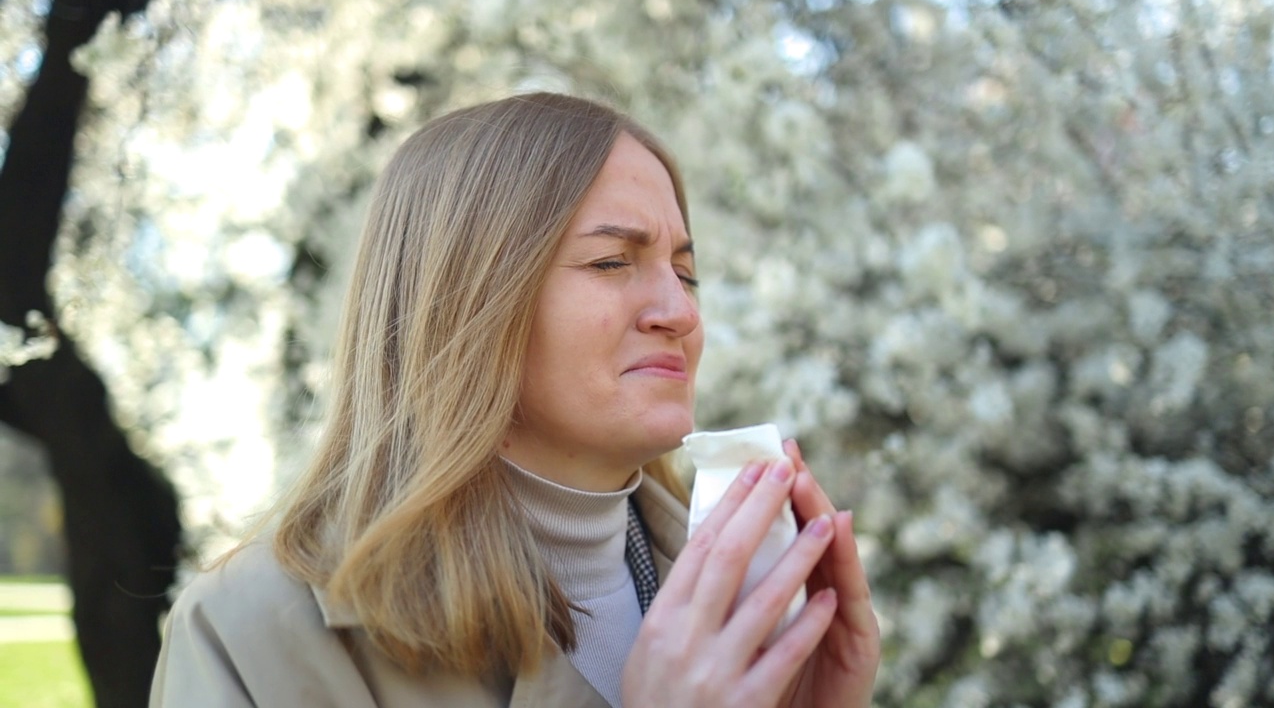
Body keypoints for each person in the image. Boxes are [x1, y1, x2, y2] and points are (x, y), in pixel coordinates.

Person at [149, 92, 880, 708]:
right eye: (611, 261)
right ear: (466, 301)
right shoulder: (254, 631)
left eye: (685, 275)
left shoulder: (742, 602)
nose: (679, 313)